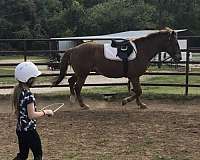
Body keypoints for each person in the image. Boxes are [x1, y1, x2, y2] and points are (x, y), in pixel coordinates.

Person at [12, 61, 54, 160]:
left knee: (22, 155)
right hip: (29, 131)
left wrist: (36, 112)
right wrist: (46, 112)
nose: (35, 80)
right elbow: (31, 115)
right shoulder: (28, 95)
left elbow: (22, 112)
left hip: (20, 130)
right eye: (34, 78)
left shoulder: (19, 92)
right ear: (29, 79)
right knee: (38, 155)